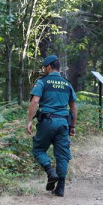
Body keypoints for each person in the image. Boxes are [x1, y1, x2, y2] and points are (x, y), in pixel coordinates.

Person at [26, 55, 78, 197]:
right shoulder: (67, 84)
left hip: (47, 122)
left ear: (48, 67)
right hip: (63, 123)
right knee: (62, 155)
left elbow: (34, 101)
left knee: (38, 150)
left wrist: (29, 120)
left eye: (44, 67)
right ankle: (60, 188)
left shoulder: (42, 82)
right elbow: (73, 108)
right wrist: (72, 126)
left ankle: (50, 172)